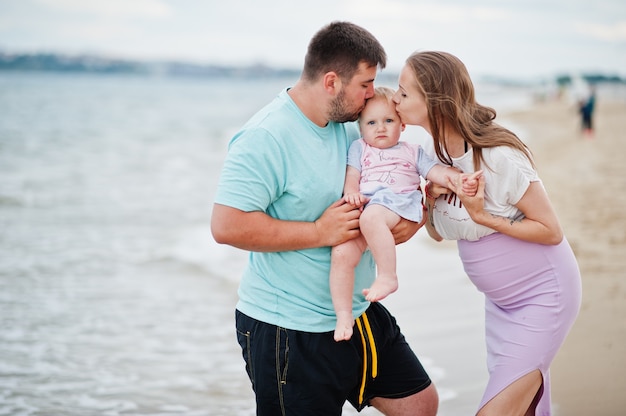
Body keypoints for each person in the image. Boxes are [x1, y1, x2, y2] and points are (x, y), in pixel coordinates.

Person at [211, 22, 438, 415]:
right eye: (365, 84)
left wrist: (410, 218)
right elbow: (226, 226)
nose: (373, 95)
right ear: (331, 81)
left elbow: (386, 183)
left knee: (420, 405)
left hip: (357, 311)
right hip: (289, 330)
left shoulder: (351, 124)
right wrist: (318, 231)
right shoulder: (265, 137)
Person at [393, 51, 582, 416]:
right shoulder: (433, 156)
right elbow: (437, 234)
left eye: (403, 92)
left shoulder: (498, 157)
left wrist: (484, 215)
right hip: (500, 307)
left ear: (434, 102)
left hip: (544, 296)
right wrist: (428, 202)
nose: (394, 99)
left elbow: (551, 231)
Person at [331, 86, 480, 341]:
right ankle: (344, 316)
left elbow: (435, 172)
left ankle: (388, 276)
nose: (380, 128)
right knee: (342, 253)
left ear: (402, 125)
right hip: (369, 206)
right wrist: (351, 192)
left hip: (398, 204)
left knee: (371, 218)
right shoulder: (359, 148)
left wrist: (459, 180)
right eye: (372, 122)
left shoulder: (411, 151)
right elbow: (352, 175)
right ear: (361, 127)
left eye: (388, 121)